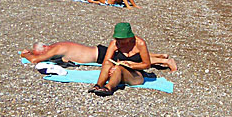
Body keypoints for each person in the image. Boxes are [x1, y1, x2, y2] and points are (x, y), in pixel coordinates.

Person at [21, 40, 177, 71]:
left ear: (45, 48)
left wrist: (26, 54)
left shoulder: (55, 49)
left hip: (100, 55)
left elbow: (35, 60)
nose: (44, 55)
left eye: (42, 52)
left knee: (133, 58)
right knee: (132, 53)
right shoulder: (56, 46)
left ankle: (165, 61)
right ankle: (160, 55)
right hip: (98, 51)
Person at [89, 23, 152, 96]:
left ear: (129, 37)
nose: (119, 42)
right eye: (117, 39)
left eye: (122, 39)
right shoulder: (115, 43)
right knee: (107, 64)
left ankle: (108, 88)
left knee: (119, 68)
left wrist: (131, 65)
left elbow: (147, 64)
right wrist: (112, 69)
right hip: (118, 71)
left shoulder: (140, 44)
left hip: (135, 75)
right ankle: (98, 85)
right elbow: (106, 61)